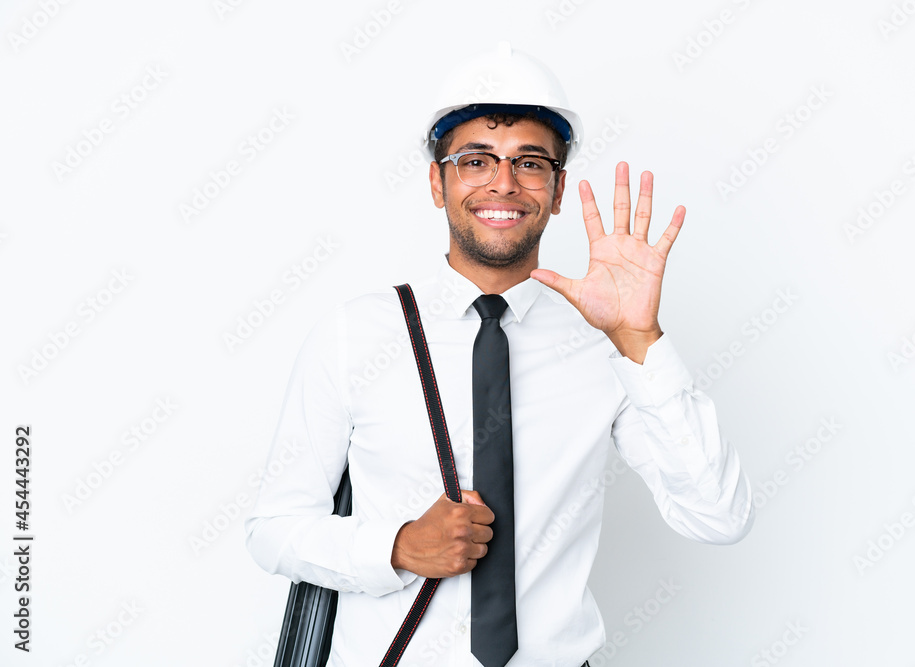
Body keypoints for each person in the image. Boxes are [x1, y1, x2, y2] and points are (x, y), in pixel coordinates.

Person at [245, 42, 754, 667]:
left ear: (558, 190)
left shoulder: (602, 344)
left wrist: (640, 339)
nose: (504, 183)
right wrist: (398, 547)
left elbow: (718, 516)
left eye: (531, 163)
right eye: (476, 160)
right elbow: (272, 530)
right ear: (438, 180)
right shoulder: (357, 333)